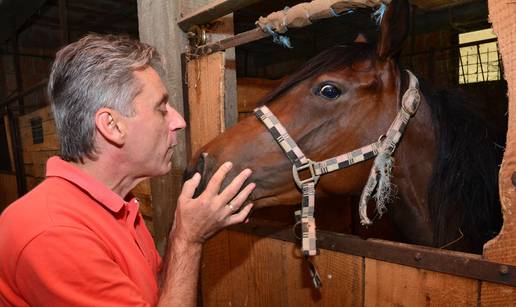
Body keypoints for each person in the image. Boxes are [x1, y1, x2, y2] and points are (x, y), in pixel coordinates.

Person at [0, 34, 255, 306]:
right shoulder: (55, 234)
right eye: (161, 109)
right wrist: (188, 240)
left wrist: (183, 231)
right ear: (111, 125)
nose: (178, 121)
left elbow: (156, 294)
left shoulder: (115, 204)